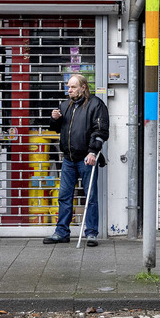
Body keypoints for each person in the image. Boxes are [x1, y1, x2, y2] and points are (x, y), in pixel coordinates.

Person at [44, 73, 109, 246]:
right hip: (68, 158)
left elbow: (101, 131)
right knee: (64, 196)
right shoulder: (65, 105)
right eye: (68, 86)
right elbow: (57, 129)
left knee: (90, 196)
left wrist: (93, 151)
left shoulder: (96, 105)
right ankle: (61, 232)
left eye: (73, 87)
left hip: (86, 157)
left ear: (83, 87)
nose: (69, 90)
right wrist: (54, 119)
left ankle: (91, 233)